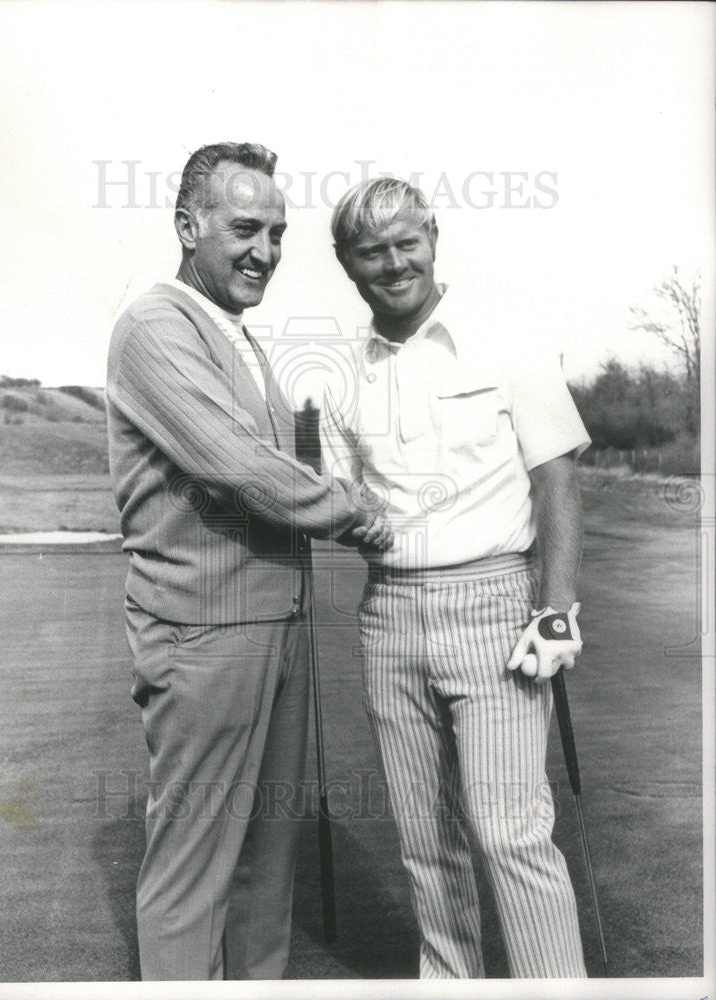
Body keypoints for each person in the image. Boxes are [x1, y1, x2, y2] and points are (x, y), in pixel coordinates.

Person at [105, 142, 390, 981]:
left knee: (267, 868)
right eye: (242, 228)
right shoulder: (155, 324)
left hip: (276, 626)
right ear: (188, 227)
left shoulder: (238, 335)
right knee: (195, 869)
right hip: (204, 635)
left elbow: (281, 462)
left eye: (276, 231)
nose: (263, 250)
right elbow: (232, 463)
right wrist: (353, 511)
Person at [319, 176, 591, 979]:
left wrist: (555, 611)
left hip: (496, 602)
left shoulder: (505, 338)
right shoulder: (338, 372)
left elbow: (558, 480)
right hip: (390, 613)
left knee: (509, 830)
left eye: (406, 242)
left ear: (434, 237)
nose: (393, 263)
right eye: (371, 251)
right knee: (424, 839)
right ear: (346, 264)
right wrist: (345, 510)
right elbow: (334, 495)